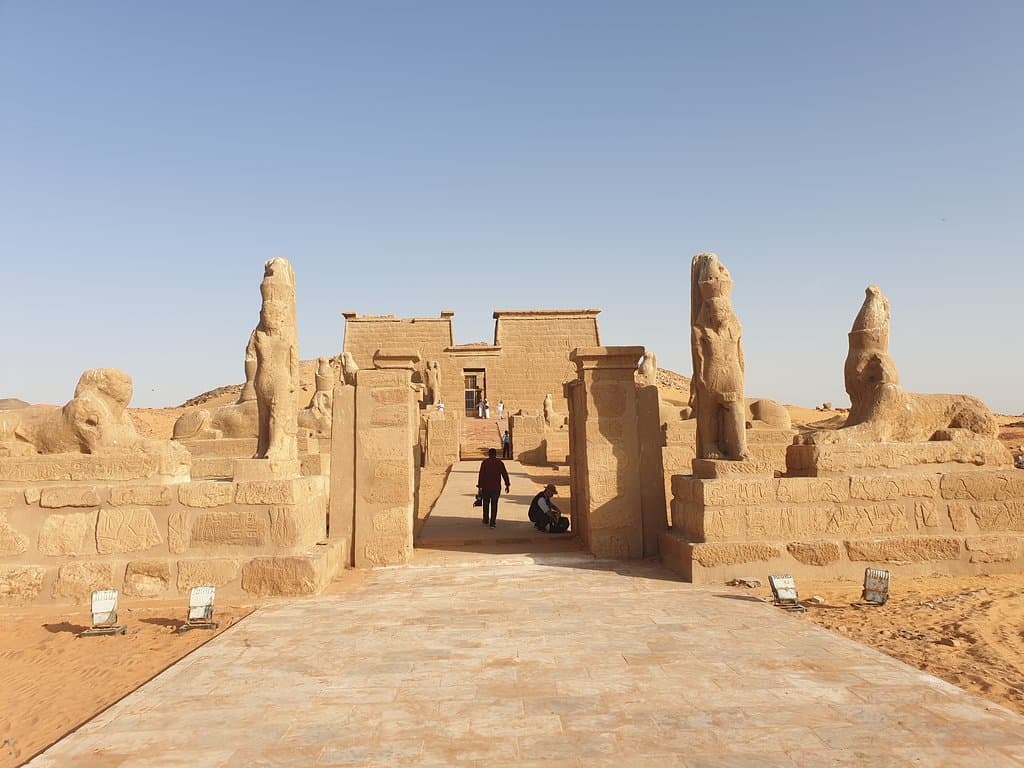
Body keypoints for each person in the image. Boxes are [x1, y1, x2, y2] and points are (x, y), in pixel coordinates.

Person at [477, 447, 510, 528]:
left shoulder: (484, 463)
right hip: (496, 488)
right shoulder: (500, 463)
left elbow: (481, 475)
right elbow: (504, 474)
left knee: (486, 503)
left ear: (489, 454)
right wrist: (507, 484)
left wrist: (479, 486)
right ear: (495, 454)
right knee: (494, 504)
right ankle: (492, 522)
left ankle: (485, 519)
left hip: (486, 487)